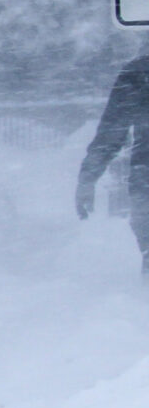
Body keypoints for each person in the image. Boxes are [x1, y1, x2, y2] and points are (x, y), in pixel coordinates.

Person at [78, 51, 149, 269]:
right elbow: (112, 131)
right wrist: (88, 177)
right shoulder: (139, 71)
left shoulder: (140, 71)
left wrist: (88, 176)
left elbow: (112, 132)